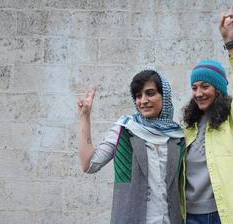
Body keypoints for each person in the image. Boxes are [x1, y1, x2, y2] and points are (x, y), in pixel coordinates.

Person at [182, 7, 233, 224]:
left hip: (226, 216)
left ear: (218, 89)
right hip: (190, 216)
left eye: (205, 86)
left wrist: (232, 44)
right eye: (194, 87)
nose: (198, 93)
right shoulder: (188, 128)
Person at [77, 70, 185, 224]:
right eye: (138, 96)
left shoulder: (178, 136)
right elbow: (89, 164)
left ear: (165, 96)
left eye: (150, 93)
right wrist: (85, 117)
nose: (143, 101)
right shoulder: (125, 129)